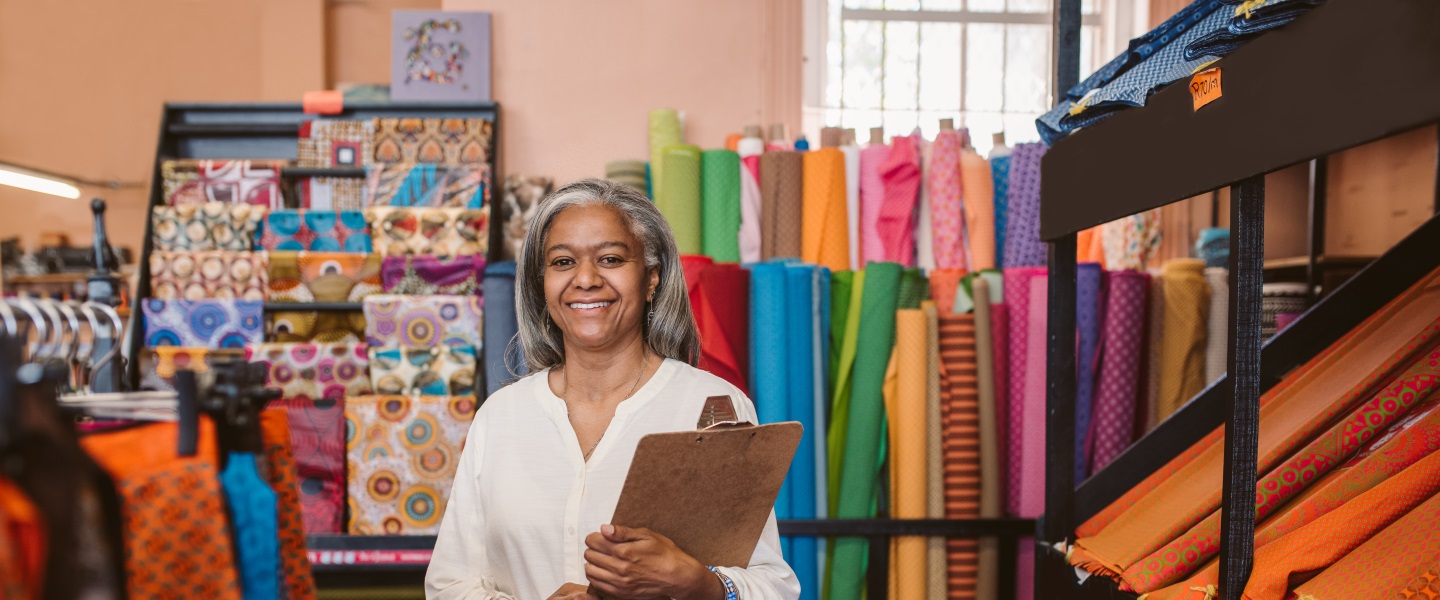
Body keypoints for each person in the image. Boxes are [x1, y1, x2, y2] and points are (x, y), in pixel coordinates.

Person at [426, 179, 800, 599]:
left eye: (610, 258)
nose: (585, 279)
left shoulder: (710, 406)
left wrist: (700, 583)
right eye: (563, 262)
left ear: (652, 278)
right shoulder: (501, 417)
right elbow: (448, 586)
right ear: (542, 282)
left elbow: (773, 586)